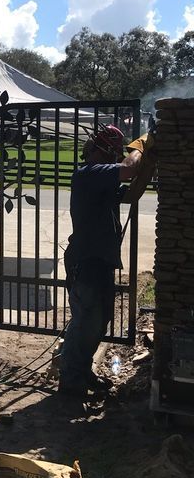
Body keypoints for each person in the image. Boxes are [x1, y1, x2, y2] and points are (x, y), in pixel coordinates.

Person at [59, 124, 148, 400]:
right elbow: (128, 169)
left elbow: (131, 192)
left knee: (99, 321)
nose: (119, 155)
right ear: (106, 150)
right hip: (87, 260)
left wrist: (149, 164)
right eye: (117, 151)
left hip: (99, 260)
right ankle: (71, 384)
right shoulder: (89, 174)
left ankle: (82, 372)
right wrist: (139, 149)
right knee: (86, 321)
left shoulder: (101, 180)